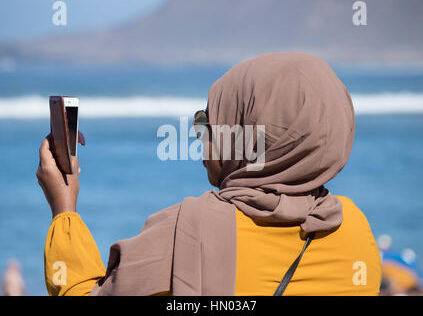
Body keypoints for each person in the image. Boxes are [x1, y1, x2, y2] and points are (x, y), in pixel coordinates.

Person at [37, 52, 382, 296]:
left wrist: (64, 210)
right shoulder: (354, 230)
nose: (198, 135)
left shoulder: (187, 232)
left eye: (210, 121)